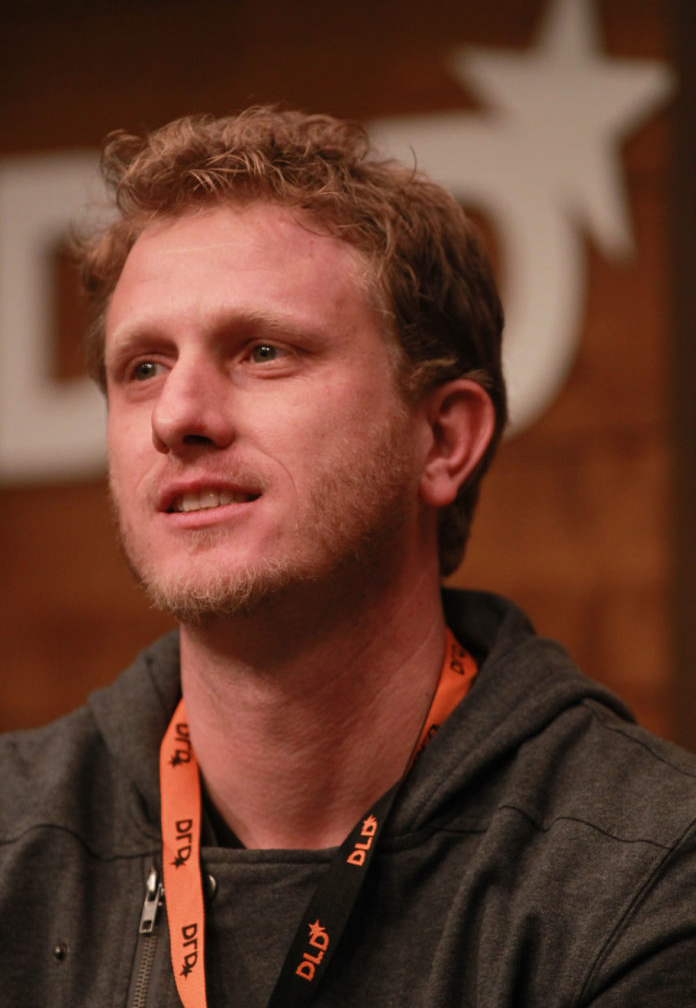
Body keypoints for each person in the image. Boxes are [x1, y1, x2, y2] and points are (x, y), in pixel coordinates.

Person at [1, 107, 695, 1008]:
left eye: (262, 352)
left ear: (442, 440)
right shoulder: (16, 841)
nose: (177, 416)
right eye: (143, 368)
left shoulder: (647, 874)